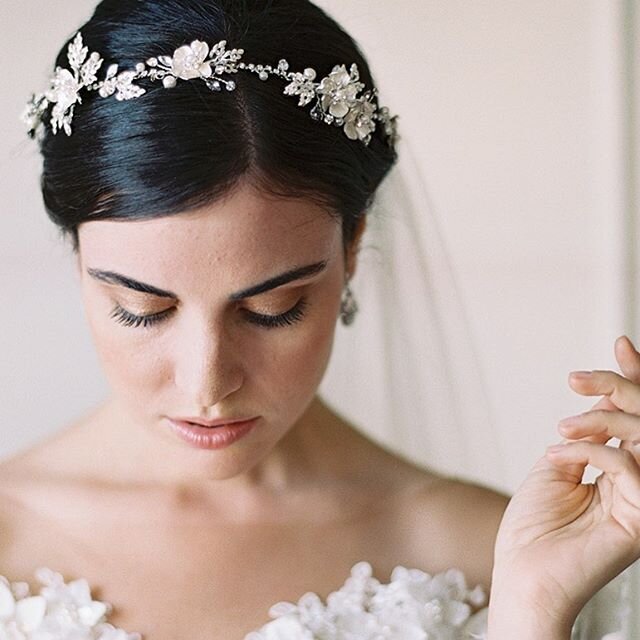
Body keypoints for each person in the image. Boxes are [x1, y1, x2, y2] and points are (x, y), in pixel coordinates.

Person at [2, 0, 637, 638]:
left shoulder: (491, 553)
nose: (208, 385)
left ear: (353, 246)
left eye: (271, 309)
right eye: (141, 310)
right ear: (78, 256)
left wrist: (534, 610)